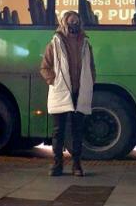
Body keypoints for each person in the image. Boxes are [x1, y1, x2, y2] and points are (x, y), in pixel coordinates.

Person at [40, 11, 96, 177]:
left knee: (78, 131)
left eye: (76, 22)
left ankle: (77, 165)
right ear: (64, 23)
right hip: (61, 91)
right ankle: (57, 165)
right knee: (59, 131)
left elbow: (91, 67)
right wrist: (54, 81)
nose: (74, 25)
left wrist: (90, 81)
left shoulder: (85, 44)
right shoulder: (54, 44)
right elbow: (45, 67)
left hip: (80, 92)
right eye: (71, 21)